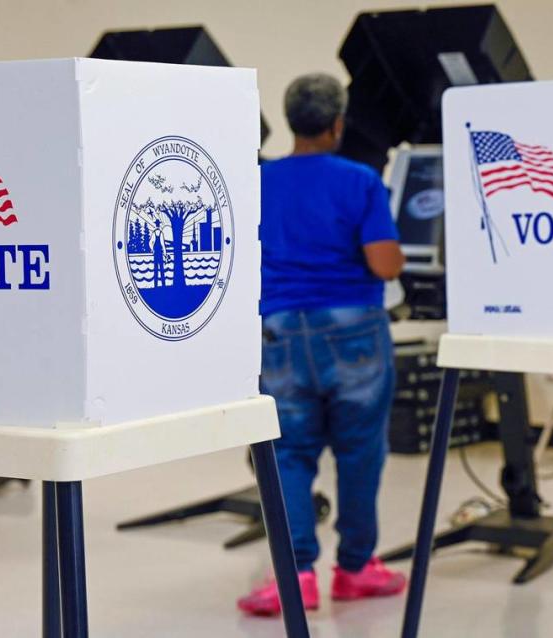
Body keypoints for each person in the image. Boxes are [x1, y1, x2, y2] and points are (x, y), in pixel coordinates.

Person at [238, 73, 407, 616]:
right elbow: (384, 263)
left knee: (288, 453)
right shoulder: (360, 180)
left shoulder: (257, 181)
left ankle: (297, 576)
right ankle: (356, 569)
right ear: (337, 124)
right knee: (360, 455)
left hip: (278, 331)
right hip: (353, 331)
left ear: (292, 123)